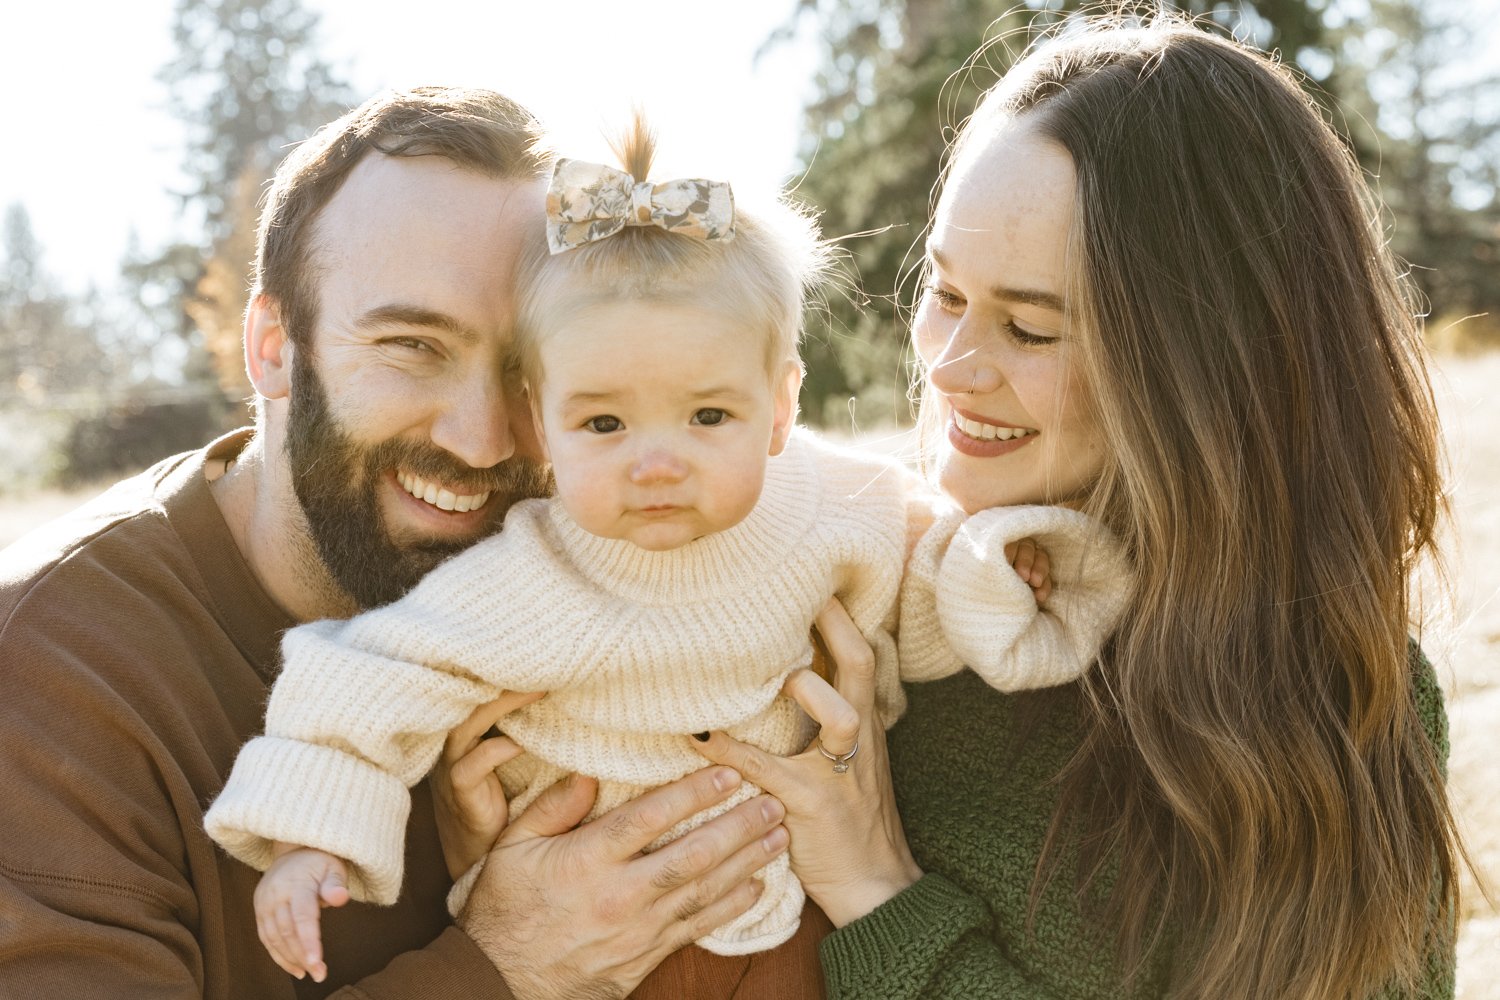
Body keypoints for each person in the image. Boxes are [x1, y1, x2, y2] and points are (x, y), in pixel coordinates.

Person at [203, 117, 1131, 995]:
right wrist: (310, 843)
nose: (657, 463)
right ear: (540, 419)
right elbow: (365, 682)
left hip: (800, 917)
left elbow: (917, 591)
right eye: (603, 421)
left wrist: (1001, 582)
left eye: (707, 416)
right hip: (617, 950)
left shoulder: (834, 504)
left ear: (780, 408)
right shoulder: (526, 578)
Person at [695, 16, 1463, 1000]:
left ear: (1202, 373)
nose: (951, 364)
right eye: (945, 290)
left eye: (1029, 327)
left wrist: (882, 895)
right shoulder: (853, 581)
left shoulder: (1343, 701)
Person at [0, 88, 802, 999]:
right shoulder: (48, 678)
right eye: (413, 346)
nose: (481, 439)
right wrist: (508, 966)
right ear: (271, 346)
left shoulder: (612, 557)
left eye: (523, 372)